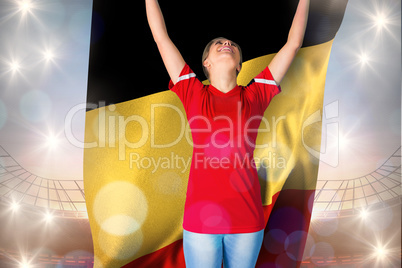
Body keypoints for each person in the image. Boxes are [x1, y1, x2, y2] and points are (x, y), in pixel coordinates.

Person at [145, 0, 310, 267]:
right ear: (206, 63)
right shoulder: (192, 91)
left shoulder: (256, 94)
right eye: (218, 43)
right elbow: (161, 38)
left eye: (232, 44)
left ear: (239, 65)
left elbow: (293, 44)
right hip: (199, 223)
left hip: (247, 221)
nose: (227, 43)